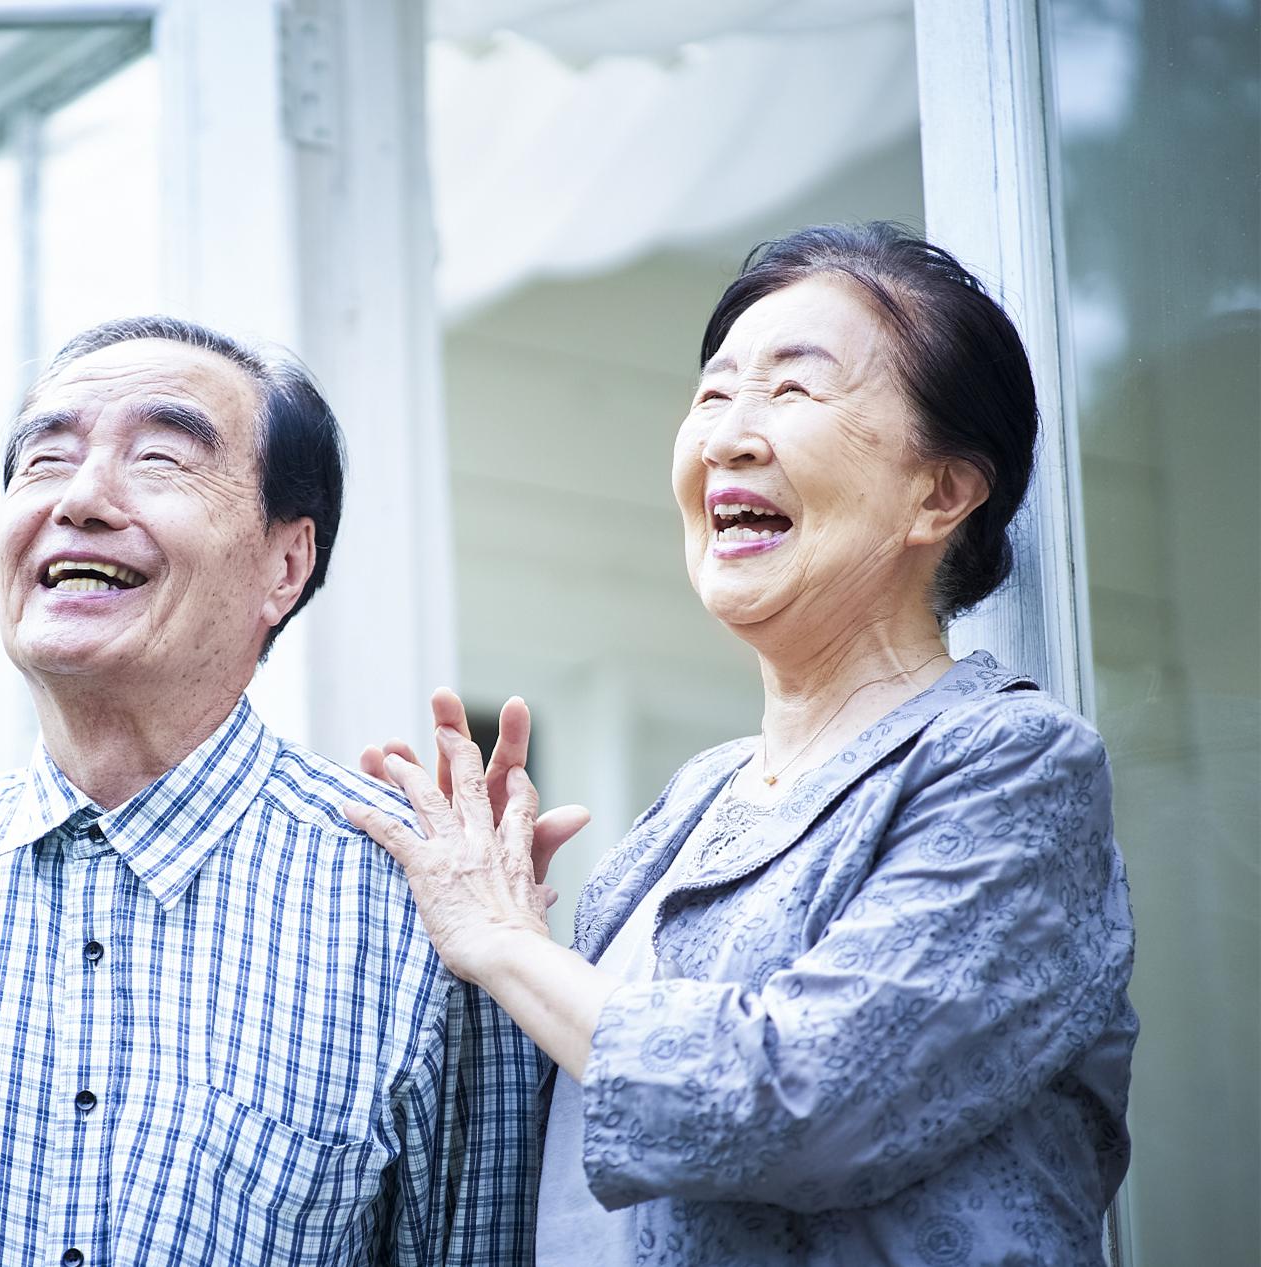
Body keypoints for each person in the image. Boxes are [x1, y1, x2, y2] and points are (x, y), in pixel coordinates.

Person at [345, 223, 1138, 1266]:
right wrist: (484, 966)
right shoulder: (693, 801)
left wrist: (506, 947)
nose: (726, 434)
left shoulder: (1010, 764)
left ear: (938, 493)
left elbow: (797, 1102)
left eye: (792, 392)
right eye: (712, 395)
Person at [0, 316, 546, 1266]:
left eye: (159, 457)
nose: (79, 498)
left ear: (285, 564)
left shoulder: (425, 906)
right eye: (44, 460)